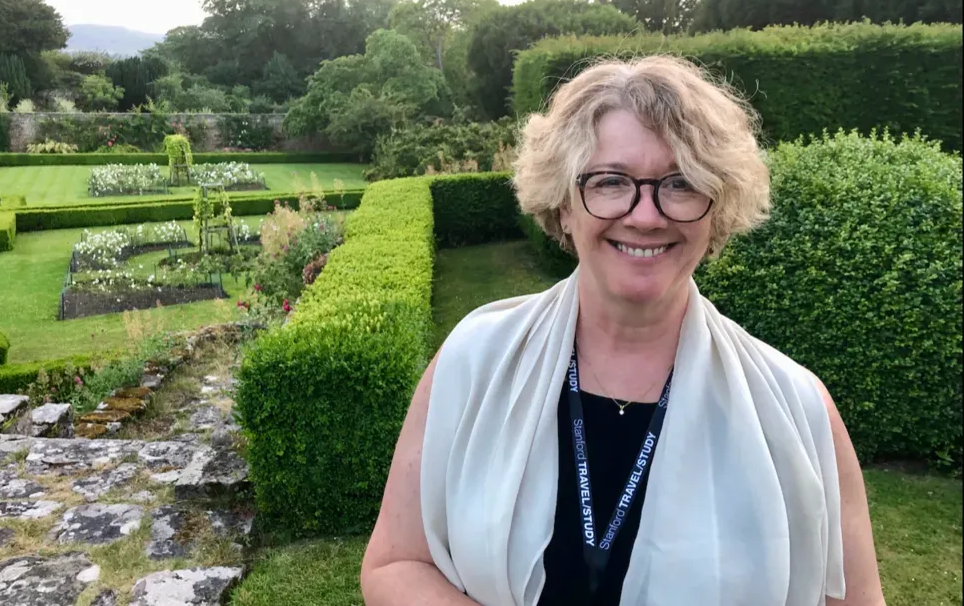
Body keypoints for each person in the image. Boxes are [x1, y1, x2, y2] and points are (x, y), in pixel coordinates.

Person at [360, 55, 886, 606]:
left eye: (681, 184)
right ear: (563, 204)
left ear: (718, 212)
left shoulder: (797, 408)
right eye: (611, 181)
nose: (646, 215)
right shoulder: (474, 360)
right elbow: (397, 562)